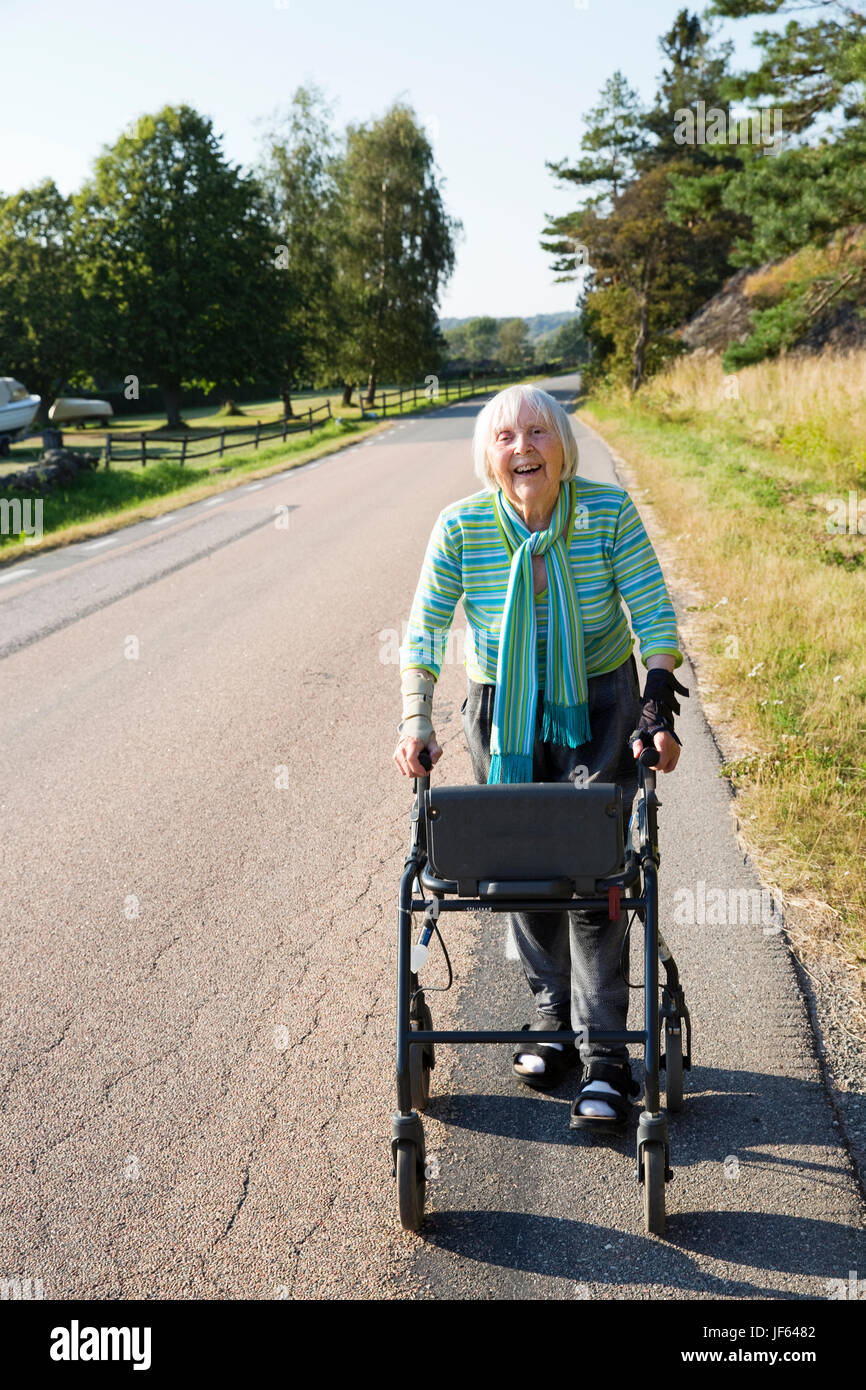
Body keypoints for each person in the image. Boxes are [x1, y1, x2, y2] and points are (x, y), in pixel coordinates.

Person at [393, 384, 688, 1131]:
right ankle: (552, 1023)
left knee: (596, 878)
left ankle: (607, 1058)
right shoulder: (461, 526)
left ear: (562, 446)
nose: (522, 447)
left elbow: (652, 610)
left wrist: (656, 698)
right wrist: (415, 720)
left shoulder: (606, 512)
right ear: (489, 456)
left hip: (601, 706)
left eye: (536, 433)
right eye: (505, 437)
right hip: (505, 713)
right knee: (521, 870)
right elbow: (425, 633)